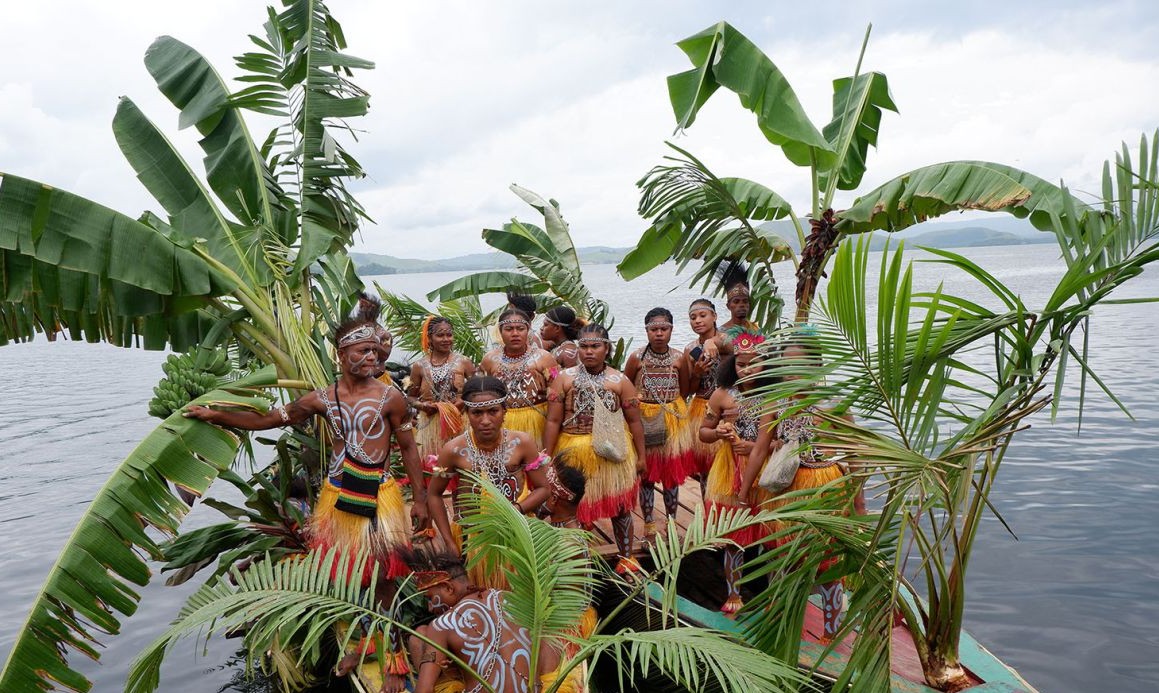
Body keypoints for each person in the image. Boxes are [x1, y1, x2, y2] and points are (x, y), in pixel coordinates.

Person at [183, 319, 428, 594]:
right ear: (341, 354)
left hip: (379, 492)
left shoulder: (391, 397)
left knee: (384, 571)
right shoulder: (320, 399)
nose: (372, 356)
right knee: (346, 568)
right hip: (338, 491)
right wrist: (216, 414)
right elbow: (269, 419)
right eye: (363, 350)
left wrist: (420, 499)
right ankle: (359, 622)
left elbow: (408, 448)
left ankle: (386, 629)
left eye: (375, 350)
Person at [736, 340, 866, 642]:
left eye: (799, 365)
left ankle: (831, 633)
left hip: (825, 489)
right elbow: (759, 450)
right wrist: (744, 494)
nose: (792, 373)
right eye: (787, 366)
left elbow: (855, 454)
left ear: (816, 367)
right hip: (784, 488)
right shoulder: (776, 402)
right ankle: (780, 622)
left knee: (825, 559)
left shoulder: (834, 404)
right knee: (781, 553)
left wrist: (859, 504)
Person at [403, 547, 582, 693]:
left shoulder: (442, 625)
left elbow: (424, 690)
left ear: (449, 588)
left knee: (418, 637)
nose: (430, 608)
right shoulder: (513, 599)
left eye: (430, 598)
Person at [426, 376, 551, 585]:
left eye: (493, 411)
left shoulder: (522, 443)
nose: (485, 420)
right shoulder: (453, 450)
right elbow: (434, 494)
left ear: (505, 412)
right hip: (474, 538)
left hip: (518, 533)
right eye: (477, 413)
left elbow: (544, 489)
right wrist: (449, 541)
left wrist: (515, 510)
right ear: (466, 413)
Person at [544, 323, 647, 573]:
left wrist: (641, 457)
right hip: (572, 450)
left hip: (612, 451)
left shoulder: (619, 380)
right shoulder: (564, 379)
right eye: (584, 346)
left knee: (620, 507)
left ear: (607, 348)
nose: (589, 351)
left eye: (595, 346)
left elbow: (634, 420)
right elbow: (553, 420)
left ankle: (626, 558)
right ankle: (572, 562)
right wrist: (545, 456)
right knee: (569, 508)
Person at [699, 331, 776, 614]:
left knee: (771, 534)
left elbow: (784, 438)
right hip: (729, 468)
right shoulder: (721, 395)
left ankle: (773, 595)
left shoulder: (776, 396)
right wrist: (717, 432)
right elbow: (703, 433)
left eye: (755, 363)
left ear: (767, 364)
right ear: (733, 365)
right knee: (735, 536)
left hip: (767, 470)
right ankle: (734, 594)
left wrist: (756, 446)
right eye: (742, 364)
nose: (748, 369)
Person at [623, 307, 693, 536]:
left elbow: (684, 390)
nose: (659, 334)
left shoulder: (679, 358)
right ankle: (649, 521)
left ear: (671, 330)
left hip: (673, 419)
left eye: (664, 329)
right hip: (644, 419)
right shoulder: (636, 358)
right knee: (647, 475)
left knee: (671, 475)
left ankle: (672, 521)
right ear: (646, 331)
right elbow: (626, 387)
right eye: (654, 329)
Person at [479, 308, 560, 449]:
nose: (515, 333)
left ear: (528, 330)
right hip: (502, 424)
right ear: (500, 331)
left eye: (520, 328)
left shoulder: (544, 358)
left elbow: (557, 399)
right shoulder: (489, 360)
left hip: (537, 422)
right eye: (509, 329)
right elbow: (481, 397)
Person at [408, 316, 475, 459]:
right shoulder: (419, 366)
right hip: (431, 425)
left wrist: (463, 402)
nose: (446, 339)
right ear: (430, 338)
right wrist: (423, 405)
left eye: (449, 335)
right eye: (440, 335)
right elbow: (411, 397)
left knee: (463, 465)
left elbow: (477, 390)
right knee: (433, 466)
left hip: (459, 422)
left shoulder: (463, 362)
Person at [684, 299, 731, 496]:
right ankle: (707, 511)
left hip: (727, 408)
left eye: (703, 316)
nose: (697, 321)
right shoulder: (690, 349)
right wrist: (697, 373)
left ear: (715, 317)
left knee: (727, 463)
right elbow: (689, 390)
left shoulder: (729, 340)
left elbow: (731, 346)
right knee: (705, 468)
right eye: (693, 317)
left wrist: (712, 342)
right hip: (701, 407)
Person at [717, 261, 759, 337]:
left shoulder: (756, 330)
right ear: (728, 306)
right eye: (736, 302)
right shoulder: (720, 333)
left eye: (745, 301)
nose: (741, 305)